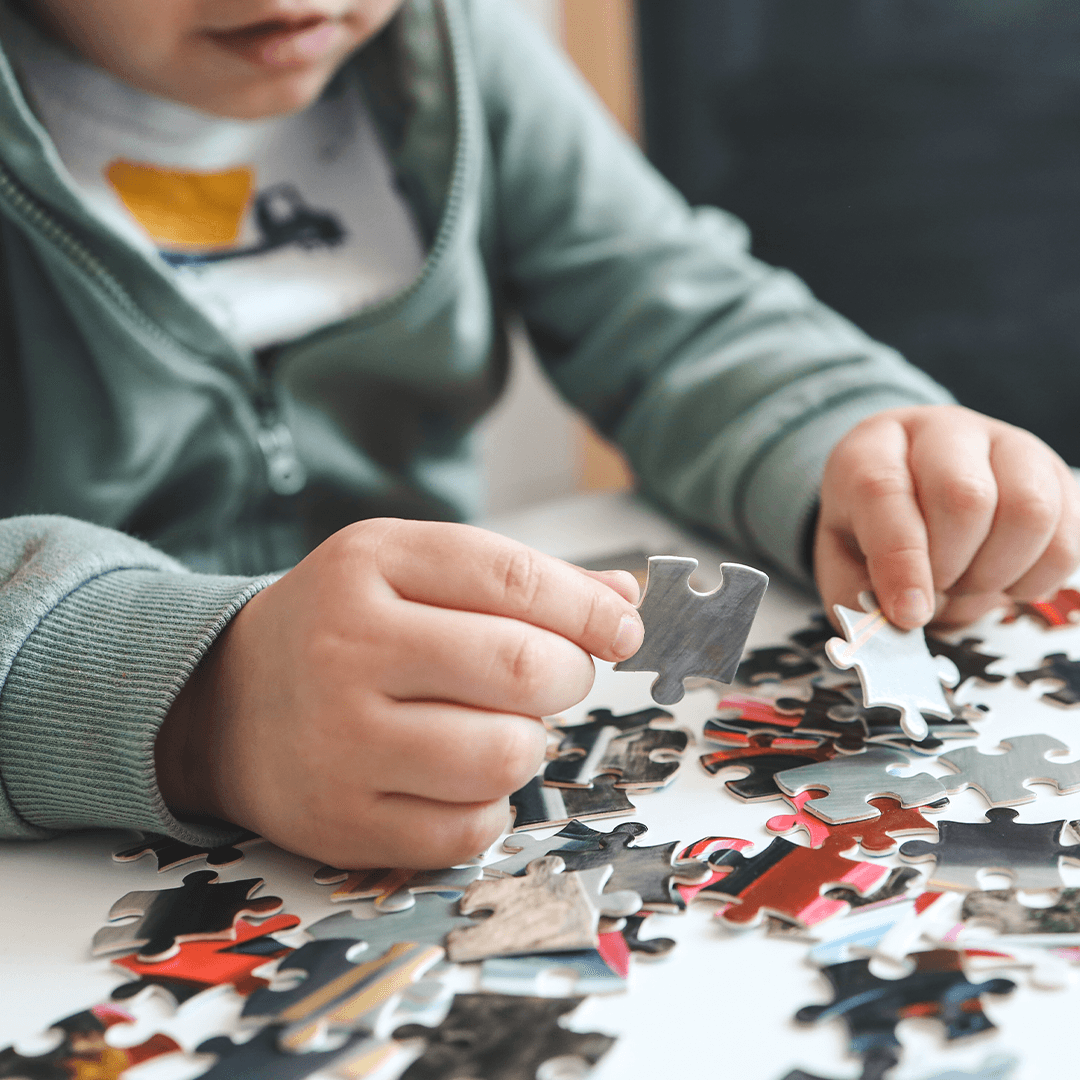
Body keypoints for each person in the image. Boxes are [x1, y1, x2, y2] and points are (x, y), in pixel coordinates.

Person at [0, 0, 1075, 871]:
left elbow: (674, 310)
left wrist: (846, 434)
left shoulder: (450, 46)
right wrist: (198, 703)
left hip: (465, 779)